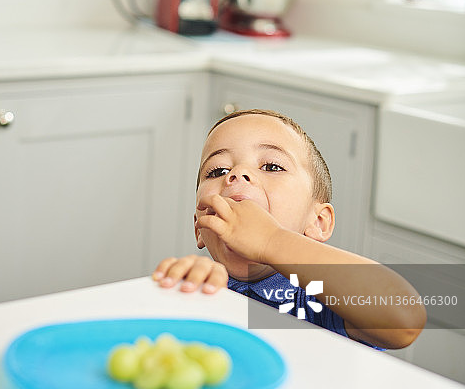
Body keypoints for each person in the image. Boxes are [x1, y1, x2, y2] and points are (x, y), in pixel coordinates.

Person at [153, 109, 426, 349]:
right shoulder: (201, 285)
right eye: (217, 171)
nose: (236, 174)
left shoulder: (320, 298)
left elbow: (404, 319)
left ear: (318, 222)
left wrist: (271, 240)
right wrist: (181, 295)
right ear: (199, 227)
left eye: (271, 166)